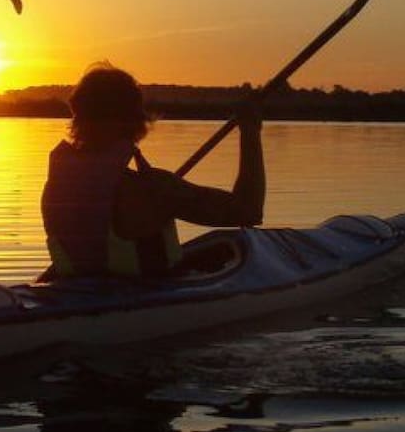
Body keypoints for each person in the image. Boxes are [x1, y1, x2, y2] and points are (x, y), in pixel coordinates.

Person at [41, 62, 265, 277]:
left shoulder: (56, 189)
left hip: (78, 296)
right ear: (135, 121)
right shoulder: (155, 189)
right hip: (146, 301)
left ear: (77, 120)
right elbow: (248, 211)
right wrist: (250, 131)